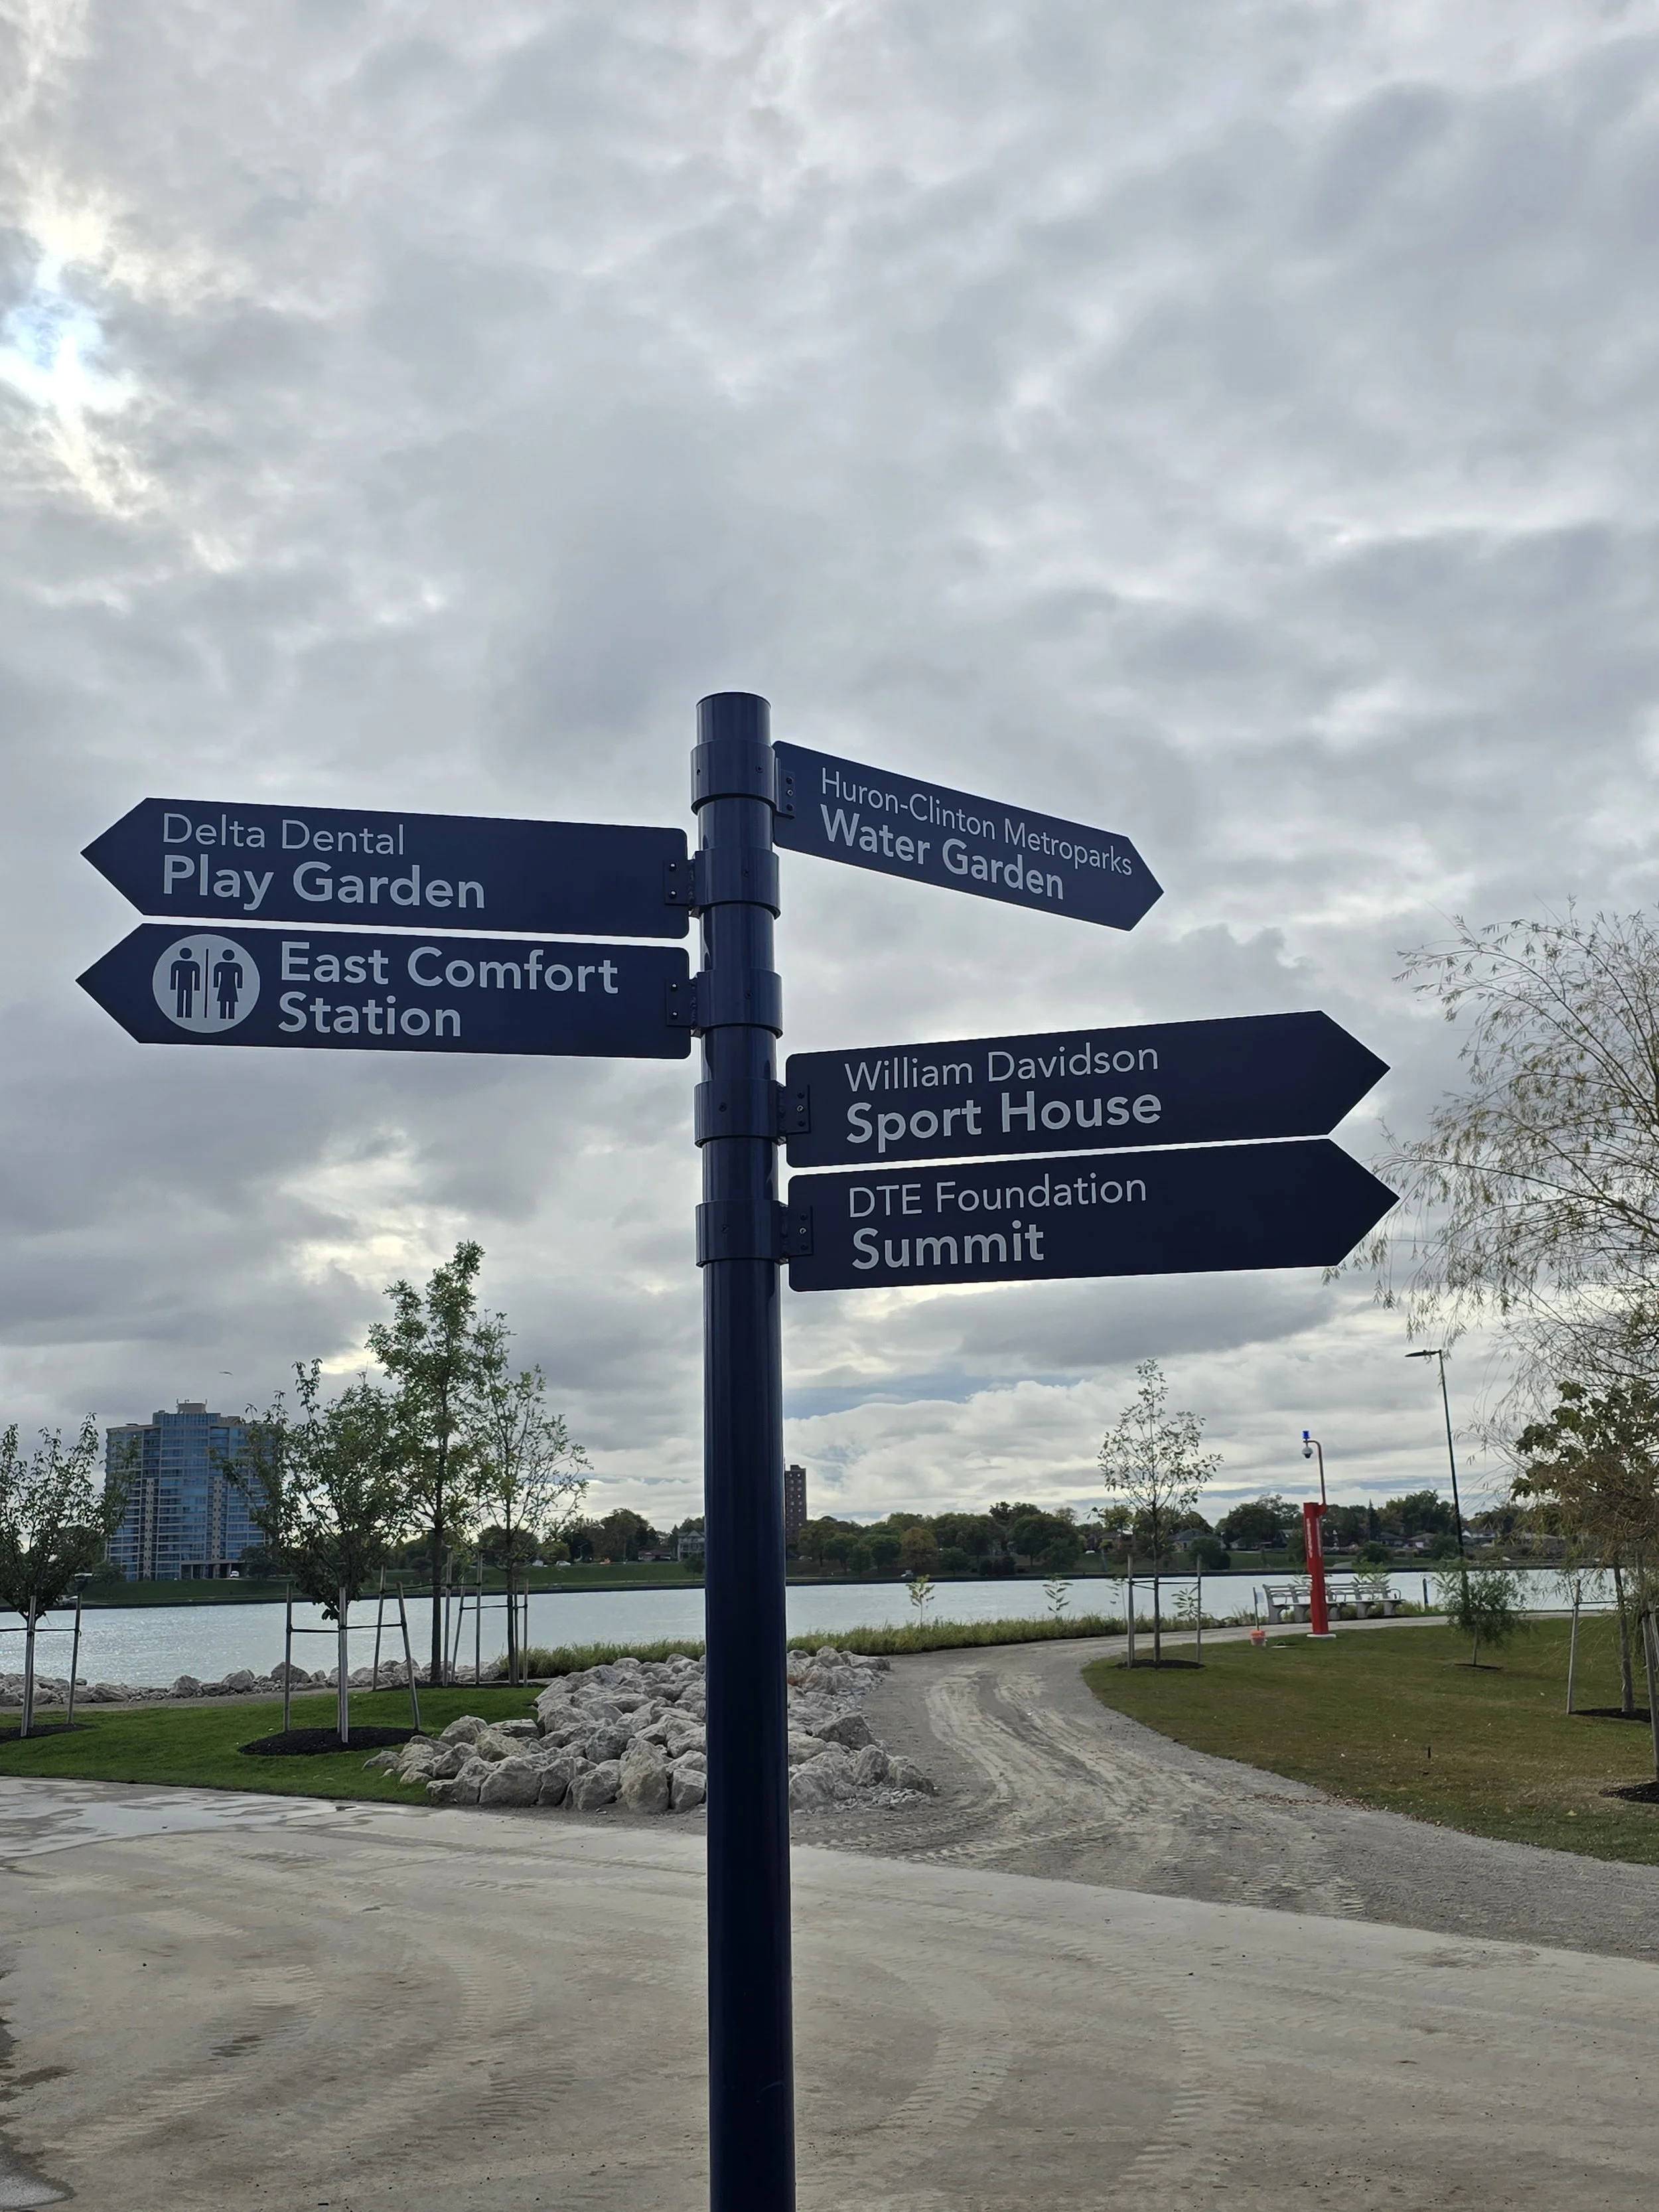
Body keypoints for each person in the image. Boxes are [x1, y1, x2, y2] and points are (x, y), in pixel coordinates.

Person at [212, 944, 245, 1023]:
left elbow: (240, 976)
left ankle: (230, 1016)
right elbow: (216, 975)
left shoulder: (235, 966)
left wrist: (239, 986)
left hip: (230, 985)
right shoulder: (220, 965)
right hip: (225, 985)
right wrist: (215, 985)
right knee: (224, 1001)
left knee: (230, 1001)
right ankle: (223, 1016)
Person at [170, 944, 201, 1020]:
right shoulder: (177, 964)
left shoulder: (194, 965)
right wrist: (173, 986)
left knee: (188, 999)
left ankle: (188, 1014)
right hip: (182, 985)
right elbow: (174, 976)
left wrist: (197, 987)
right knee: (181, 998)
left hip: (189, 985)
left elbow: (197, 977)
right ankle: (180, 1013)